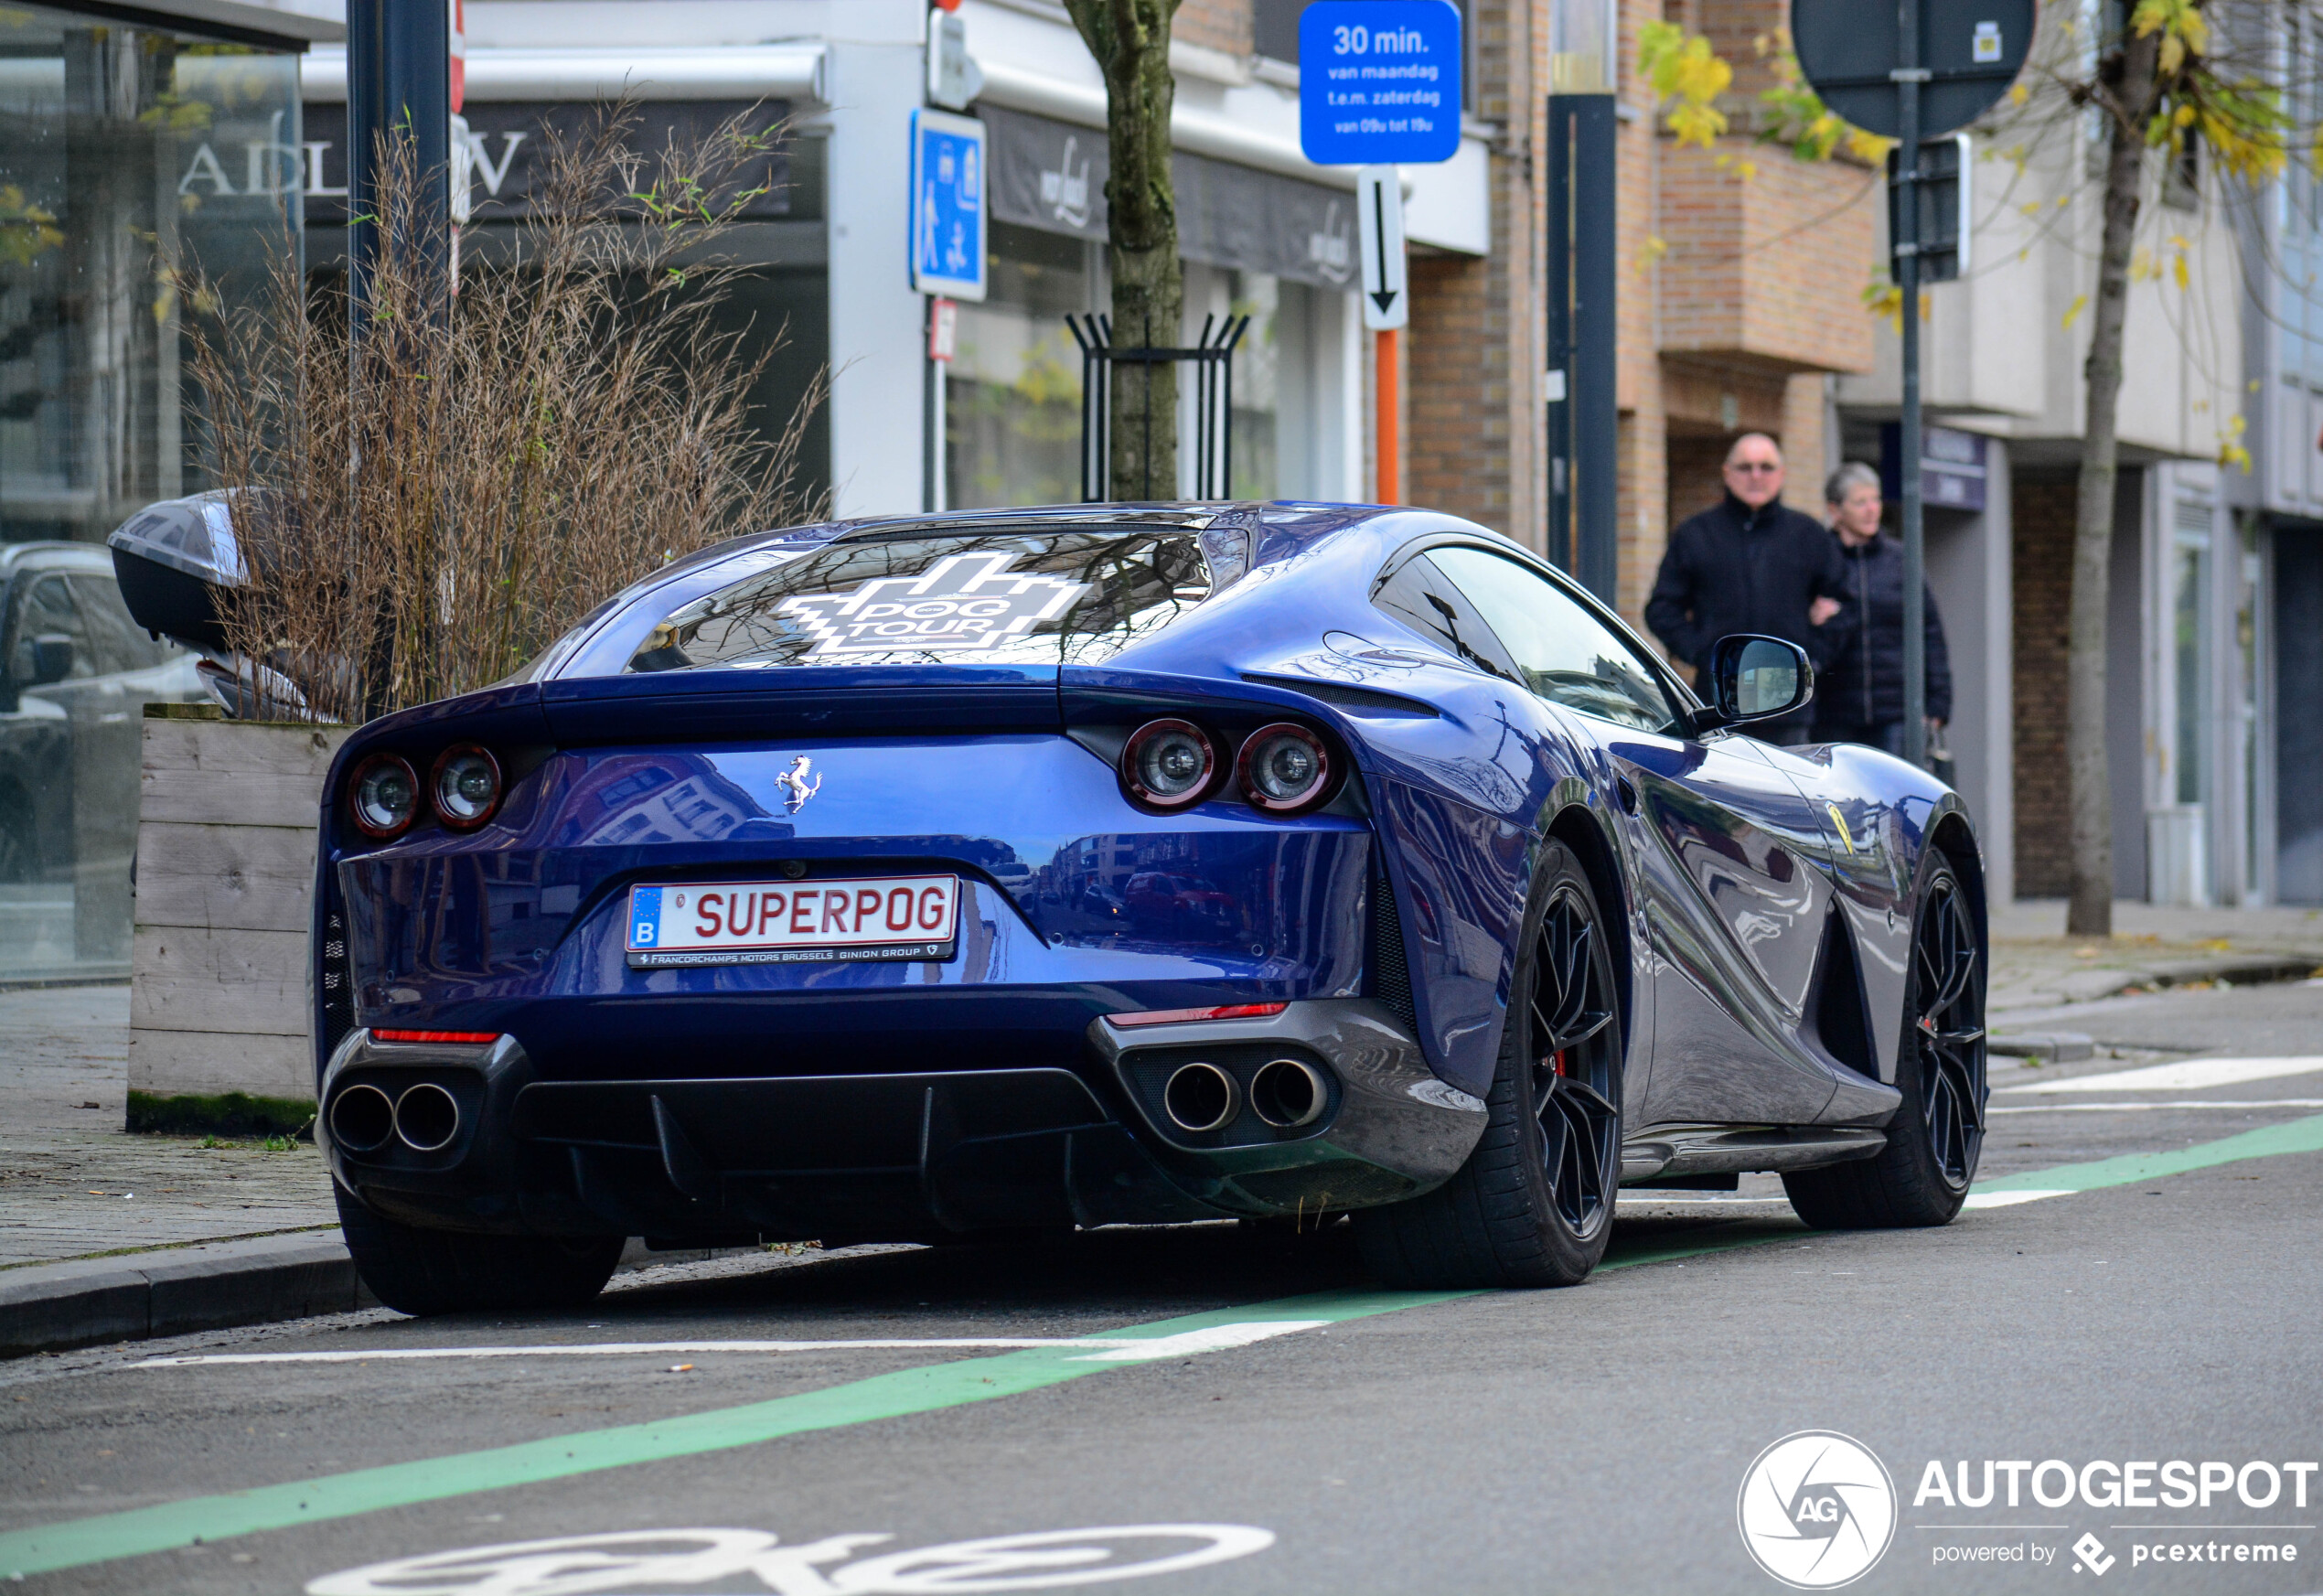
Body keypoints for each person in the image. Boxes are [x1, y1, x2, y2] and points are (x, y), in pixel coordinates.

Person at [1644, 433, 1853, 744]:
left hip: (1789, 709)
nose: (1756, 476)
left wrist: (1811, 659)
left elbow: (1845, 607)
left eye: (1766, 467)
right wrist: (1702, 653)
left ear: (1781, 475)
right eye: (1745, 467)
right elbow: (1661, 609)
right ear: (1727, 474)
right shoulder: (1696, 534)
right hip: (1717, 706)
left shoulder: (1808, 535)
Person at [1809, 461, 1951, 757]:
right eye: (1860, 502)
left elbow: (1931, 630)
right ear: (1835, 510)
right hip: (1834, 712)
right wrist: (1810, 617)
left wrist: (1938, 702)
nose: (1872, 509)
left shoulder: (1900, 560)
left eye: (1875, 500)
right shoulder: (1817, 558)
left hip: (1895, 712)